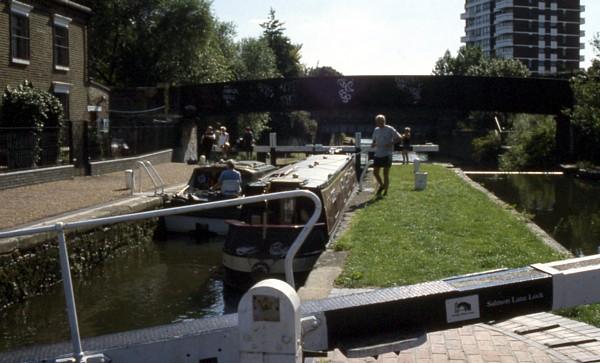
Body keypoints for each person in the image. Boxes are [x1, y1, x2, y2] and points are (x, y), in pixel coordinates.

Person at [371, 114, 402, 196]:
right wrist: (373, 144)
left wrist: (391, 143)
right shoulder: (376, 130)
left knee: (385, 173)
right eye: (378, 121)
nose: (380, 123)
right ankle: (382, 185)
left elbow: (399, 137)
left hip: (387, 154)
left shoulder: (389, 128)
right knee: (375, 172)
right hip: (378, 154)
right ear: (376, 122)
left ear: (384, 121)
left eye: (382, 121)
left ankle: (385, 192)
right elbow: (374, 140)